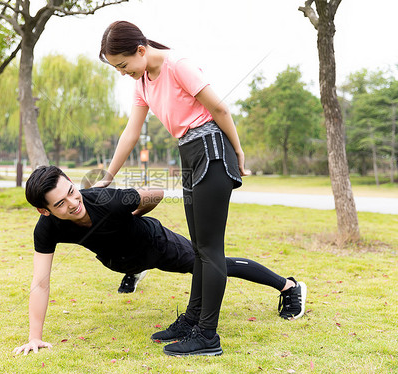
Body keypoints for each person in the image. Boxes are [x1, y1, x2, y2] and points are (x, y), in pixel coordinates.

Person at [96, 20, 307, 356]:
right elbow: (130, 133)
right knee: (198, 250)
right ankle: (193, 320)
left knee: (210, 249)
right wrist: (107, 175)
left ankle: (207, 335)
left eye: (122, 66)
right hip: (189, 154)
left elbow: (219, 107)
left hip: (211, 150)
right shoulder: (143, 83)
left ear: (139, 50)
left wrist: (237, 150)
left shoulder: (177, 66)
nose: (122, 73)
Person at [12, 166, 307, 356]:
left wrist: (132, 215)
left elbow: (156, 193)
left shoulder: (107, 200)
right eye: (60, 204)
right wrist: (34, 337)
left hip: (156, 244)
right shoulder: (47, 228)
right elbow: (40, 282)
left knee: (211, 265)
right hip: (118, 259)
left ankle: (288, 286)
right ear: (44, 210)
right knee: (121, 261)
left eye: (72, 192)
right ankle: (135, 271)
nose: (73, 204)